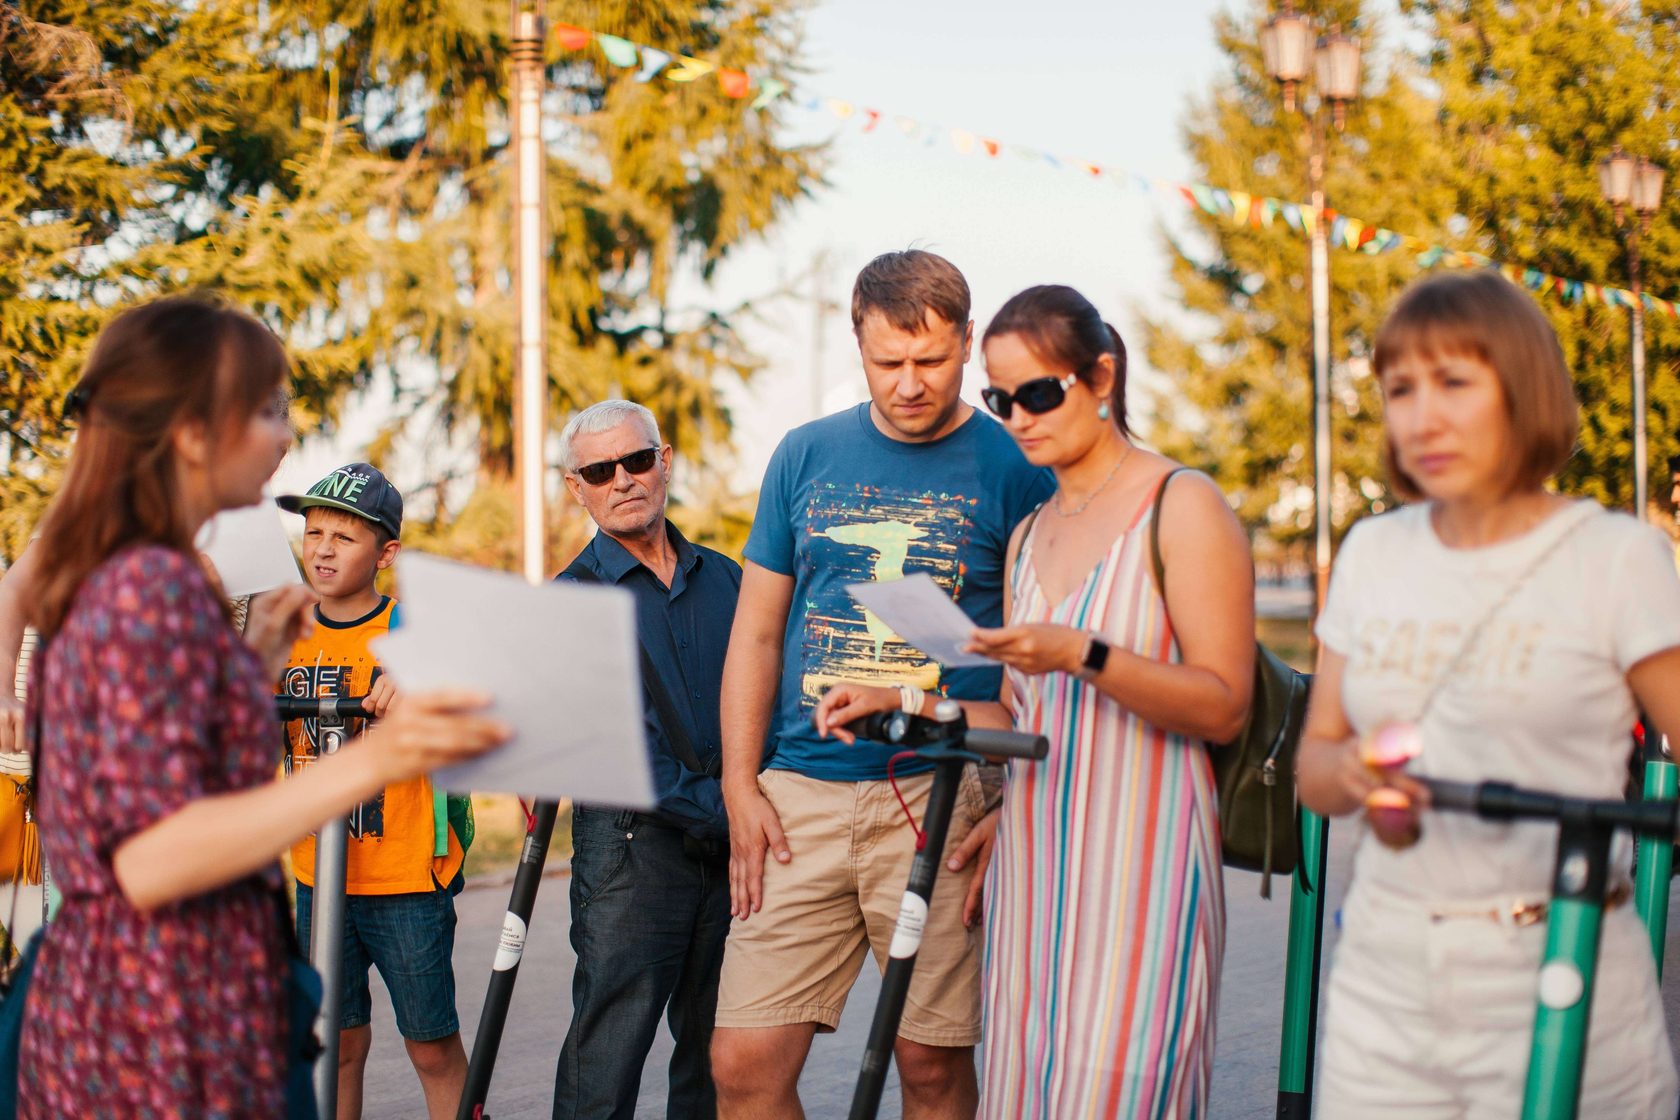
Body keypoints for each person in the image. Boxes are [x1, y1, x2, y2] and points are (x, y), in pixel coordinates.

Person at [18, 295, 508, 1118]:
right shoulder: (153, 587)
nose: (285, 435)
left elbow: (166, 776)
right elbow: (150, 856)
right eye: (267, 409)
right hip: (159, 1020)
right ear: (193, 429)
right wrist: (383, 758)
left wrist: (250, 670)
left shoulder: (137, 570)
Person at [815, 284, 1254, 1118]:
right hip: (1034, 864)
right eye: (1000, 398)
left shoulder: (1182, 506)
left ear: (1101, 378)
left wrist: (1084, 654)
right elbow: (1020, 722)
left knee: (1121, 1094)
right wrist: (904, 697)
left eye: (1039, 393)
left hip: (1141, 860)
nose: (1018, 416)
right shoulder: (1029, 535)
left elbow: (1223, 705)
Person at [1296, 271, 1680, 1117]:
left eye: (1455, 383)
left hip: (1560, 967)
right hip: (1385, 982)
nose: (1423, 415)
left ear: (1523, 388)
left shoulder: (1616, 558)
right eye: (1401, 389)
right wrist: (1358, 773)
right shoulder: (1371, 552)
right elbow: (1315, 767)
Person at [710, 250, 1055, 1120]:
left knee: (930, 1070)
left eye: (931, 362)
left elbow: (1038, 670)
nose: (909, 384)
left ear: (969, 344)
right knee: (742, 1065)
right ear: (857, 341)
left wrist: (1012, 808)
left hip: (943, 794)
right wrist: (738, 783)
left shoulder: (1016, 467)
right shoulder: (803, 454)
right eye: (887, 362)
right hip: (800, 799)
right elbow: (755, 632)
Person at [550, 400, 740, 1120]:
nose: (622, 480)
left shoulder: (730, 583)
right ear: (578, 488)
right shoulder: (568, 603)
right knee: (605, 1064)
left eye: (635, 460)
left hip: (731, 859)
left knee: (717, 1058)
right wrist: (738, 810)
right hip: (630, 855)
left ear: (664, 462)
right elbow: (619, 750)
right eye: (600, 470)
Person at [276, 461, 472, 1120]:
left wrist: (420, 682)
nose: (324, 549)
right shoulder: (283, 632)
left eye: (345, 537)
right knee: (337, 1042)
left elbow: (468, 708)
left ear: (386, 553)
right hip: (316, 875)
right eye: (314, 533)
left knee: (432, 1046)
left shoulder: (413, 635)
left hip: (404, 879)